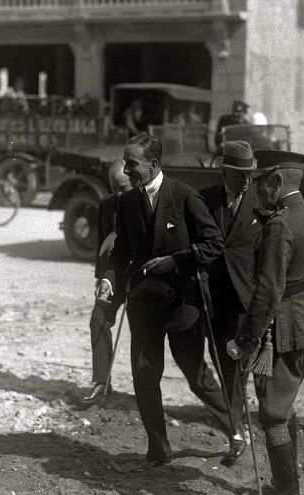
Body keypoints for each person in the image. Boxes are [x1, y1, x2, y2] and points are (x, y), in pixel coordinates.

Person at [95, 134, 240, 468]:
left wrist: (176, 260)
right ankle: (158, 447)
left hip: (183, 304)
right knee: (145, 376)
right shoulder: (127, 203)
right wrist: (109, 279)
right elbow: (121, 253)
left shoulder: (185, 196)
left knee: (196, 374)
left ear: (153, 165)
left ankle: (235, 431)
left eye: (132, 164)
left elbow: (214, 244)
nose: (126, 170)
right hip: (144, 304)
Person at [227, 150, 304, 495]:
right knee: (283, 404)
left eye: (260, 183)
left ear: (275, 182)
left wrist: (243, 342)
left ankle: (286, 492)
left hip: (284, 331)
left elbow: (268, 293)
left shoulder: (280, 225)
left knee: (272, 413)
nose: (256, 190)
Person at [199, 141, 261, 466]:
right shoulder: (206, 198)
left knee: (236, 363)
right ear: (225, 171)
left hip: (244, 298)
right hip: (213, 296)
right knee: (221, 358)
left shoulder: (260, 202)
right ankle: (235, 417)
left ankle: (235, 431)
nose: (246, 180)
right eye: (239, 174)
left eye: (249, 173)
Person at [81, 160, 132, 405]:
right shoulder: (107, 205)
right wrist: (100, 278)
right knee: (98, 319)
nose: (119, 194)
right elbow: (103, 245)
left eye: (124, 187)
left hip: (144, 276)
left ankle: (146, 393)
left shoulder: (149, 204)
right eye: (114, 188)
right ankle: (102, 381)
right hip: (114, 276)